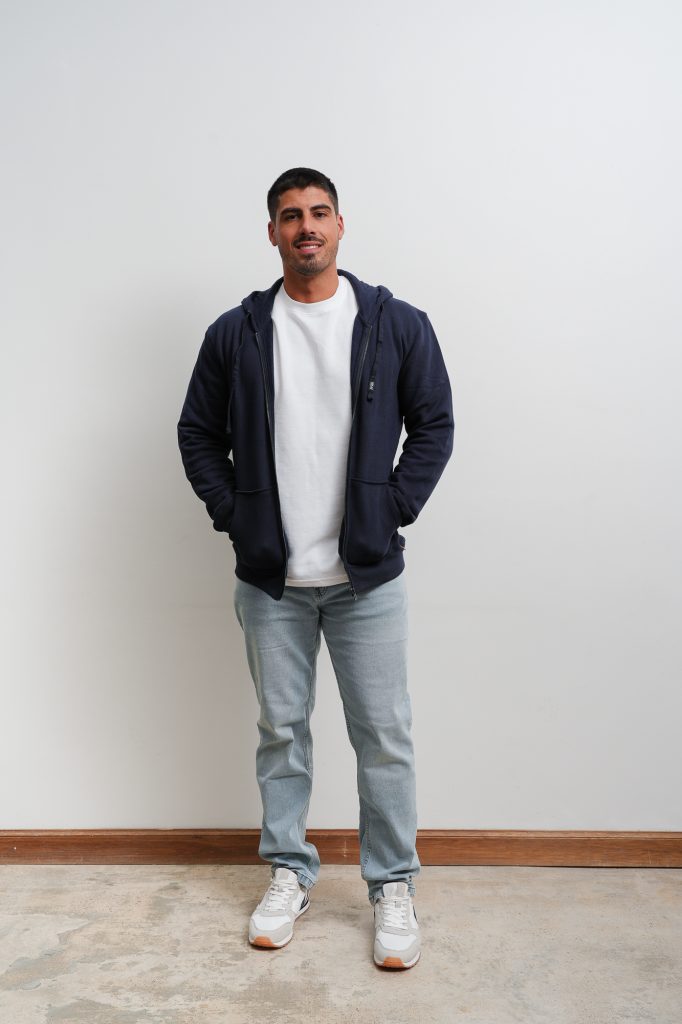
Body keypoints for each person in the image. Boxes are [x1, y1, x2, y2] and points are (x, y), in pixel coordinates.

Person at [177, 167, 454, 969]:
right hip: (272, 581)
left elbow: (434, 424)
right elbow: (198, 433)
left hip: (367, 578)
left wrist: (391, 506)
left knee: (384, 737)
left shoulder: (396, 324)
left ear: (340, 225)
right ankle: (289, 871)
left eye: (319, 212)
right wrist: (235, 514)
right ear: (272, 232)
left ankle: (392, 884)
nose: (307, 227)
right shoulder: (236, 332)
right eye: (291, 215)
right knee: (282, 733)